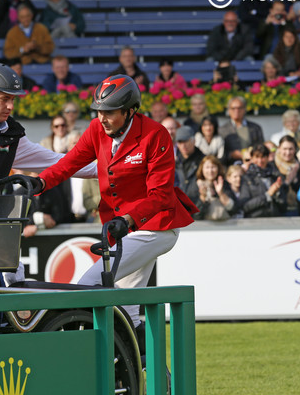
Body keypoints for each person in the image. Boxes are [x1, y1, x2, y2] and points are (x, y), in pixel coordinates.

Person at [36, 74, 196, 328]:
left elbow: (161, 195)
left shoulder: (156, 135)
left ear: (130, 111)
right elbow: (70, 162)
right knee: (129, 312)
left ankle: (82, 354)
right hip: (126, 229)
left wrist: (128, 219)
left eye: (109, 112)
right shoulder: (96, 130)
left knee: (89, 285)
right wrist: (40, 182)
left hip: (156, 227)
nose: (102, 118)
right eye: (99, 111)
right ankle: (143, 366)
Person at [0, 63, 97, 187]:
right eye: (4, 99)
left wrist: (106, 170)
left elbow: (59, 162)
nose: (11, 107)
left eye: (13, 99)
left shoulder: (12, 136)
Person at [239, 143, 286, 217]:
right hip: (255, 221)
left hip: (275, 221)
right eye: (257, 157)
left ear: (268, 158)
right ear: (252, 158)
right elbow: (245, 206)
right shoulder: (247, 178)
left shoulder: (275, 176)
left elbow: (284, 206)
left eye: (263, 157)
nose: (260, 161)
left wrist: (277, 193)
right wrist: (267, 195)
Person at [220, 96, 264, 166]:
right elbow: (220, 153)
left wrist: (252, 154)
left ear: (244, 109)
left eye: (239, 108)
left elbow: (261, 148)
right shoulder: (222, 130)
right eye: (233, 108)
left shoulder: (255, 128)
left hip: (252, 165)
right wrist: (231, 154)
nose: (236, 111)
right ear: (228, 110)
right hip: (231, 167)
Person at [194, 155, 239, 221]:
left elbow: (232, 209)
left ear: (218, 168)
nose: (210, 171)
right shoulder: (195, 185)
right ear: (202, 169)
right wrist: (203, 197)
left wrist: (220, 193)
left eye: (213, 167)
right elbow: (196, 215)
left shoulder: (224, 184)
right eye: (207, 167)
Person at [273, 135, 300, 216]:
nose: (287, 153)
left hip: (297, 210)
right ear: (279, 149)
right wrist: (287, 182)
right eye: (285, 149)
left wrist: (295, 180)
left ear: (295, 150)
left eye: (290, 149)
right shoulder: (272, 167)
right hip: (278, 211)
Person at [174, 126, 204, 203]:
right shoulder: (173, 162)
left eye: (186, 141)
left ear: (193, 141)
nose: (183, 145)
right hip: (179, 206)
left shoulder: (204, 161)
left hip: (199, 206)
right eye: (180, 142)